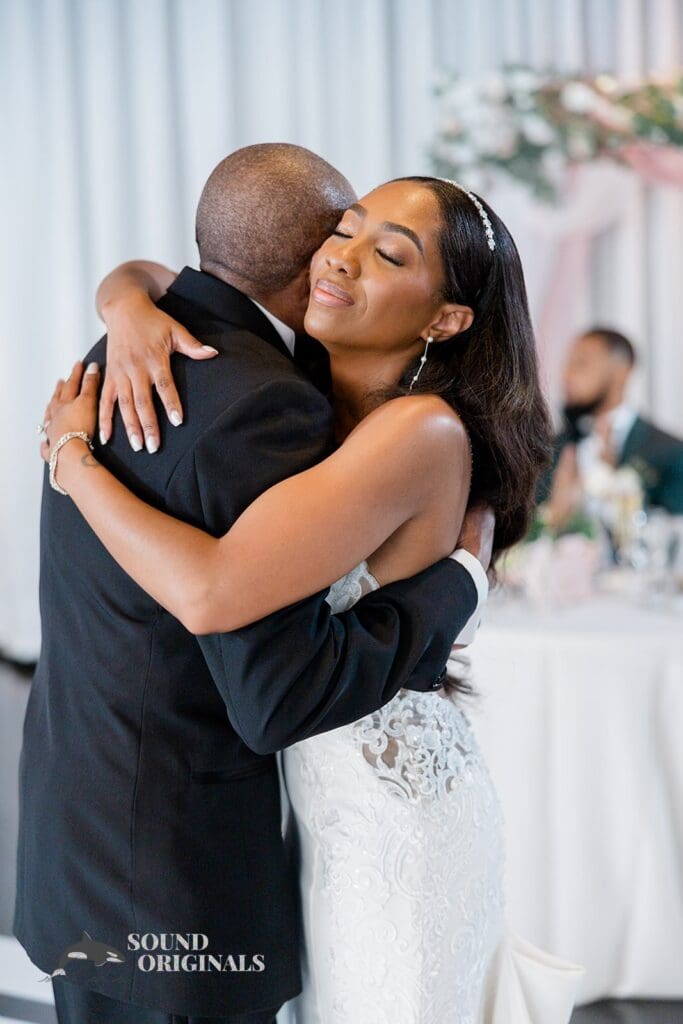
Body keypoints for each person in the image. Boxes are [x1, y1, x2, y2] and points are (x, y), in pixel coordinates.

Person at [36, 164, 586, 1022]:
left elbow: (216, 596)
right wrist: (127, 298)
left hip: (387, 816)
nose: (341, 260)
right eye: (345, 231)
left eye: (388, 254)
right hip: (311, 819)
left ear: (446, 317)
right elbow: (170, 271)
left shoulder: (415, 427)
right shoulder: (303, 393)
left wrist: (72, 459)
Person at [537, 326, 683, 528]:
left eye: (581, 364)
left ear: (620, 373)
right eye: (567, 365)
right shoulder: (548, 451)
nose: (567, 377)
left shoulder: (670, 453)